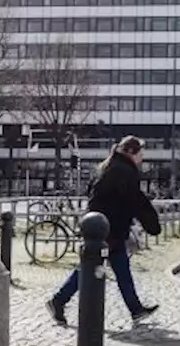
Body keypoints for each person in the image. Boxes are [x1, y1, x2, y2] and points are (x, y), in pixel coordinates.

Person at [47, 135, 161, 325]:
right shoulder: (124, 171)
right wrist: (151, 224)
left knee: (116, 268)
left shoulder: (107, 167)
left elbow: (94, 194)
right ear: (132, 153)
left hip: (102, 227)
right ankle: (58, 300)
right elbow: (135, 200)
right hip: (109, 229)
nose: (142, 157)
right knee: (90, 267)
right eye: (141, 152)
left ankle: (135, 308)